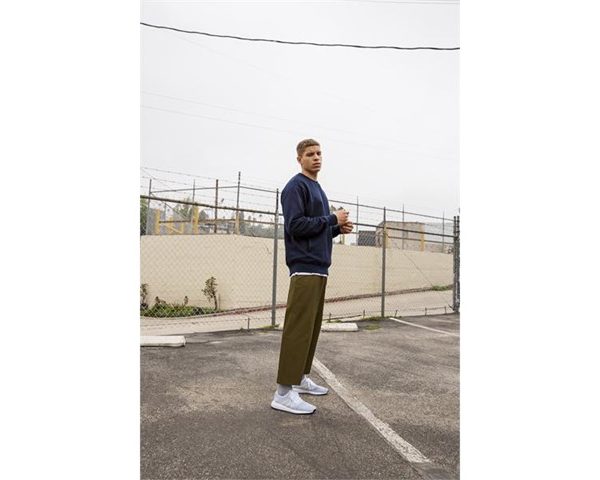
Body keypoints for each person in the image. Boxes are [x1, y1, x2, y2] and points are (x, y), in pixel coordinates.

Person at [271, 138, 354, 415]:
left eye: (319, 153)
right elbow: (295, 226)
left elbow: (316, 229)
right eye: (310, 154)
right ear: (299, 159)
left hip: (319, 267)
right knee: (298, 330)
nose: (316, 157)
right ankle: (283, 393)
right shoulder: (295, 187)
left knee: (310, 330)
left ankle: (301, 378)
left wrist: (337, 229)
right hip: (304, 267)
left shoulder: (317, 188)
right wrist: (332, 219)